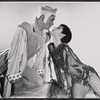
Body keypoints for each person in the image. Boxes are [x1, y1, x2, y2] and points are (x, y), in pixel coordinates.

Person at [3, 6, 57, 98]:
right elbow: (15, 55)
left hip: (24, 65)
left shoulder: (45, 36)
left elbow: (40, 58)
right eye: (51, 20)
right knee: (17, 90)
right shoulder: (24, 29)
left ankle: (15, 76)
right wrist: (16, 80)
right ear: (43, 17)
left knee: (38, 82)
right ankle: (6, 75)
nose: (52, 23)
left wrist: (38, 72)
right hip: (9, 61)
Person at [47, 24, 100, 98]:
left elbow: (66, 69)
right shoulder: (51, 47)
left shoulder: (64, 48)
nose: (55, 27)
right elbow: (58, 68)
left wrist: (68, 87)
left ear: (61, 35)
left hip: (87, 73)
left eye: (59, 28)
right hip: (76, 79)